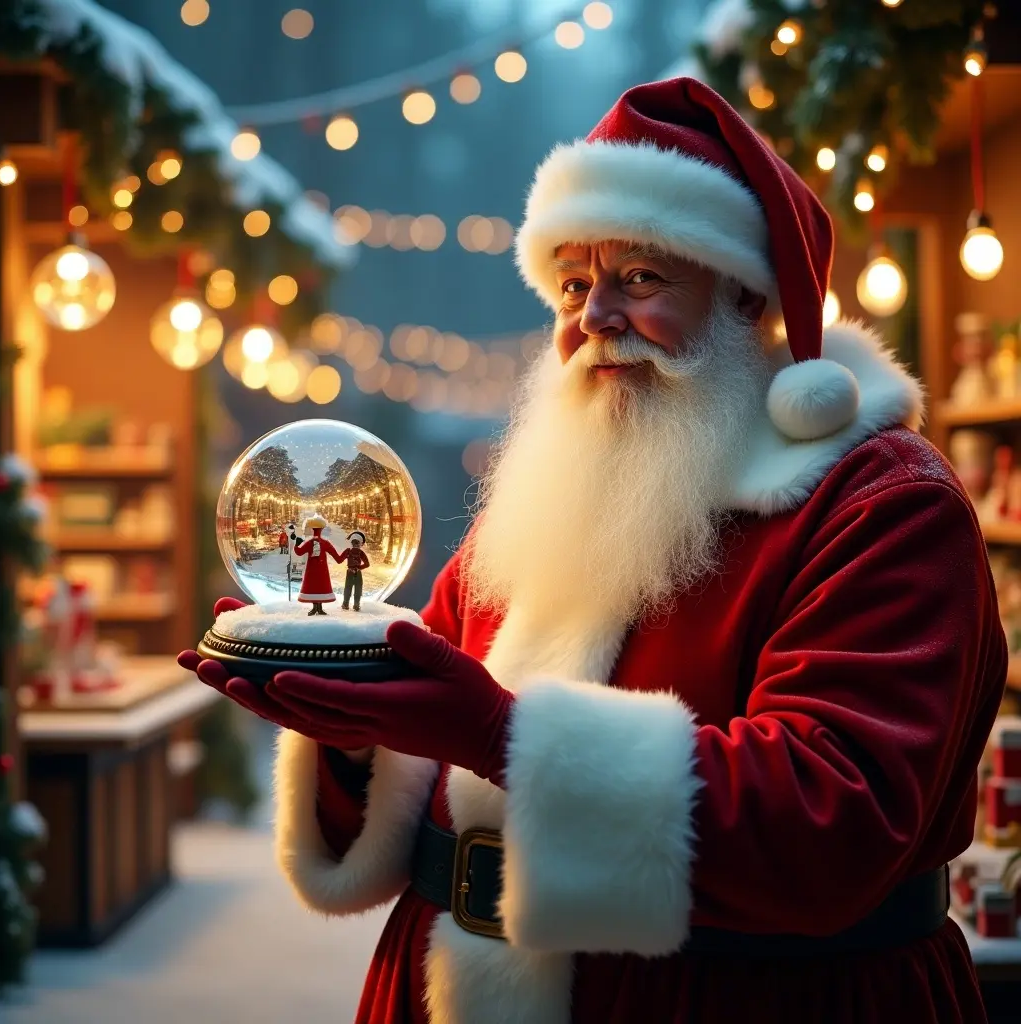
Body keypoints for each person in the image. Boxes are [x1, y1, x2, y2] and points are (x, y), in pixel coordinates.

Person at [180, 78, 1006, 1023]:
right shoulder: (550, 497)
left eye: (643, 279)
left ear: (744, 296)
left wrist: (499, 736)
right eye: (573, 285)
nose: (595, 318)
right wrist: (349, 725)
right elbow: (423, 756)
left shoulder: (876, 501)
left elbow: (837, 816)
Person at [293, 513, 339, 616]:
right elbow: (337, 557)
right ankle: (319, 608)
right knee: (320, 586)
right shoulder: (325, 543)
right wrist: (346, 554)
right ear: (322, 529)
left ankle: (315, 608)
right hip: (322, 570)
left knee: (313, 587)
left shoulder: (310, 543)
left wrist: (296, 544)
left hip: (311, 570)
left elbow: (299, 552)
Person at [336, 530, 370, 611]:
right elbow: (367, 564)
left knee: (348, 588)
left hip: (350, 571)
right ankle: (355, 605)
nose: (355, 544)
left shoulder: (348, 551)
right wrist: (359, 567)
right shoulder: (360, 552)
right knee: (357, 589)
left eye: (356, 542)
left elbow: (339, 560)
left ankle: (346, 604)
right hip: (357, 572)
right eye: (354, 542)